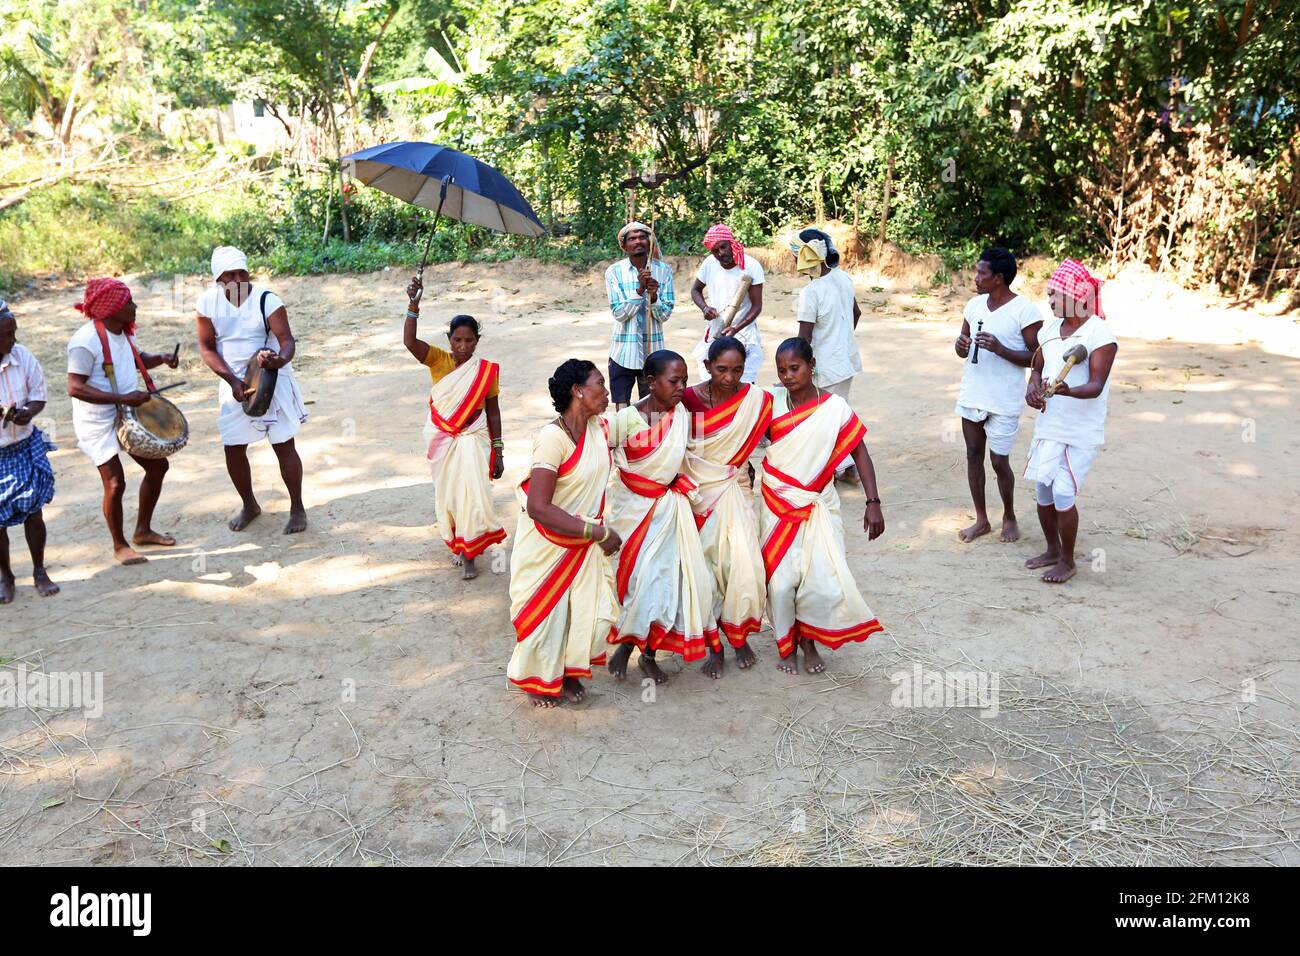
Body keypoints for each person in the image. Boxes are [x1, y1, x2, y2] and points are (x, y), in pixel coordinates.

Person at [760, 338, 885, 675]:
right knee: (781, 581)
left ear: (811, 365)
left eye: (795, 368)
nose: (788, 376)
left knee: (818, 577)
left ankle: (808, 643)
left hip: (818, 504)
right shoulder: (770, 403)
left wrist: (873, 502)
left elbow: (860, 452)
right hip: (777, 503)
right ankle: (785, 642)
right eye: (781, 370)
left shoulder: (834, 408)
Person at [507, 360, 622, 707]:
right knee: (547, 613)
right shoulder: (551, 439)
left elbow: (645, 415)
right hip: (548, 544)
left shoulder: (599, 429)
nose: (606, 392)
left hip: (582, 544)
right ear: (578, 391)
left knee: (582, 611)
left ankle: (569, 672)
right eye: (599, 384)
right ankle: (538, 677)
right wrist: (596, 532)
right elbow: (540, 507)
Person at [605, 350, 716, 684]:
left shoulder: (681, 414)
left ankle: (647, 654)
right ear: (651, 383)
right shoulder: (626, 420)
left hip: (669, 512)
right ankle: (626, 645)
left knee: (665, 583)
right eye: (674, 381)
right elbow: (598, 453)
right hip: (633, 513)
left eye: (684, 380)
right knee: (636, 582)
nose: (682, 387)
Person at [66, 278, 180, 565]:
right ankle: (120, 545)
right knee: (115, 483)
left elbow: (138, 358)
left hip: (127, 416)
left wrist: (162, 358)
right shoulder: (84, 342)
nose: (134, 306)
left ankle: (142, 531)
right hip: (97, 421)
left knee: (158, 466)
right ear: (112, 308)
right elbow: (75, 388)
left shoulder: (123, 334)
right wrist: (123, 398)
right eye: (128, 302)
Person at [195, 246, 308, 534]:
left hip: (271, 379)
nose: (237, 279)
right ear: (218, 279)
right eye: (230, 275)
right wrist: (232, 381)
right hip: (234, 382)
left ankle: (297, 507)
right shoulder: (207, 303)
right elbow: (207, 349)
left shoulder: (267, 300)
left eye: (242, 273)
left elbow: (287, 341)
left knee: (284, 444)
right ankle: (250, 505)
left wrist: (278, 360)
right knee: (233, 448)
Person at [403, 276, 506, 580]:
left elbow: (493, 410)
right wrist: (413, 304)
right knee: (449, 494)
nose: (463, 346)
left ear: (477, 341)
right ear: (449, 339)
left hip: (473, 438)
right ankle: (458, 542)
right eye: (457, 340)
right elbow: (410, 342)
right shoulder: (438, 359)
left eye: (469, 340)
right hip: (443, 438)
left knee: (473, 494)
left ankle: (470, 551)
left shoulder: (486, 371)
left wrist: (498, 450)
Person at [682, 336, 772, 678]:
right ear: (707, 366)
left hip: (737, 489)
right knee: (705, 572)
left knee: (742, 564)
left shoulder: (755, 400)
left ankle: (738, 636)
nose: (729, 378)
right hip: (698, 494)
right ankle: (715, 646)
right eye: (721, 369)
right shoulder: (688, 398)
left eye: (737, 370)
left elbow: (778, 434)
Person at [1024, 259, 1118, 584]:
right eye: (1049, 294)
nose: (1049, 301)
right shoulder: (1049, 331)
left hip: (1080, 430)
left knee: (1064, 492)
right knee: (1042, 491)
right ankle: (1051, 550)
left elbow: (1095, 387)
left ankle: (1068, 560)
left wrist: (1066, 391)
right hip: (1050, 425)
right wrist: (1032, 387)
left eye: (1055, 295)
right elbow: (1037, 365)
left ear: (1075, 296)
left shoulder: (1100, 335)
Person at [953, 247, 1043, 544]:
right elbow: (960, 346)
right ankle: (981, 519)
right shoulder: (974, 306)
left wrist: (1000, 349)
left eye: (982, 273)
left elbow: (1038, 358)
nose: (976, 278)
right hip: (973, 393)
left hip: (1004, 399)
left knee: (999, 461)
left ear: (999, 278)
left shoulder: (1025, 311)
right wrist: (961, 346)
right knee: (973, 456)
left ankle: (1009, 515)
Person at [790, 228, 863, 480]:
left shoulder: (810, 293)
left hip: (825, 366)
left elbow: (804, 339)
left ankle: (832, 470)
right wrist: (841, 339)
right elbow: (857, 313)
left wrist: (794, 369)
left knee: (821, 419)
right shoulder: (843, 278)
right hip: (846, 360)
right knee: (839, 412)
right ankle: (846, 466)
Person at [0, 300, 59, 603]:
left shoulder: (23, 357)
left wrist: (27, 412)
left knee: (34, 514)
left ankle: (39, 571)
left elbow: (39, 396)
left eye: (13, 332)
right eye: (6, 335)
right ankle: (6, 576)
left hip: (24, 445)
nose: (13, 340)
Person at [605, 221, 674, 408]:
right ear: (624, 245)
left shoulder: (663, 271)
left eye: (642, 237)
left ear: (649, 242)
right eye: (632, 238)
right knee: (621, 407)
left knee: (651, 405)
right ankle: (623, 438)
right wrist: (639, 290)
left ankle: (650, 437)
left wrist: (653, 297)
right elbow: (618, 313)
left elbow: (665, 314)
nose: (638, 242)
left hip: (653, 350)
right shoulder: (614, 272)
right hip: (623, 351)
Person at [690, 223, 765, 384]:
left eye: (723, 247)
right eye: (715, 251)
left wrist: (736, 328)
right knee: (714, 380)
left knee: (742, 382)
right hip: (716, 330)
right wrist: (705, 308)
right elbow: (695, 290)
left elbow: (757, 306)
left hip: (743, 333)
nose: (721, 253)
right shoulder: (710, 263)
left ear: (731, 243)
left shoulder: (751, 266)